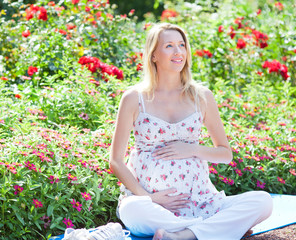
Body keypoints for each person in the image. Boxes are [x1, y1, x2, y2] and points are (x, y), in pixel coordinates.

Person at [109, 22, 273, 240]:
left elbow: (225, 154)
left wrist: (192, 149)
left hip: (203, 200)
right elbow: (116, 161)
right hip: (153, 205)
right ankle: (213, 229)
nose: (179, 52)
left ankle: (184, 234)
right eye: (169, 46)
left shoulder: (201, 96)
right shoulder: (133, 98)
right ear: (153, 55)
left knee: (263, 201)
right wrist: (150, 197)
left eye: (182, 45)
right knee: (132, 210)